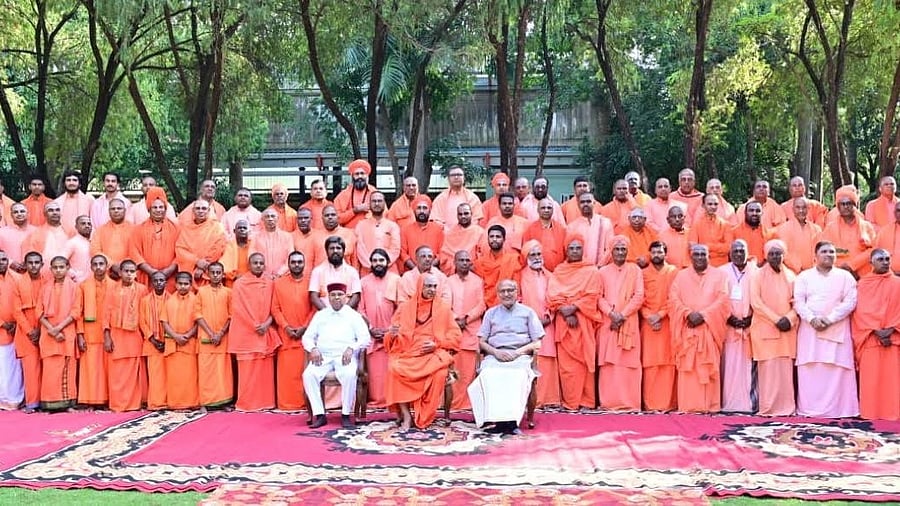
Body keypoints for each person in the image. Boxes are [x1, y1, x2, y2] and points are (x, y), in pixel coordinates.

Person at [385, 274, 461, 430]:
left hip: (433, 354)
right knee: (394, 369)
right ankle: (406, 415)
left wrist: (437, 344)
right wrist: (392, 334)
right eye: (428, 286)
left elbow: (455, 336)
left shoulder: (443, 308)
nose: (432, 290)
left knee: (439, 374)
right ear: (420, 286)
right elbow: (391, 336)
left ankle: (424, 417)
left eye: (434, 286)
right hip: (408, 352)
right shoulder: (405, 307)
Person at [793, 241, 859, 418]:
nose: (829, 254)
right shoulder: (804, 277)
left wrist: (830, 319)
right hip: (810, 330)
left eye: (832, 252)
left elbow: (850, 302)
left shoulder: (845, 277)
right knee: (811, 369)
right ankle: (809, 409)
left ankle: (842, 410)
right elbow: (798, 302)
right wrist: (812, 319)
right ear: (815, 256)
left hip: (837, 328)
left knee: (837, 369)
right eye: (824, 251)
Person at [468, 279, 543, 434]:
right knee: (488, 374)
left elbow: (537, 343)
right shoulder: (490, 313)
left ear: (517, 293)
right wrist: (496, 353)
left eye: (510, 290)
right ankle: (495, 419)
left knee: (517, 376)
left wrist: (517, 352)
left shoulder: (528, 313)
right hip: (495, 355)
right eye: (503, 291)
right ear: (498, 294)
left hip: (520, 355)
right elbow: (481, 342)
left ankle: (511, 422)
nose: (507, 294)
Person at [668, 244, 730, 413]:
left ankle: (710, 405)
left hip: (709, 329)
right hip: (687, 329)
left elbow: (723, 300)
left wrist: (703, 315)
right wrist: (687, 313)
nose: (700, 257)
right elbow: (673, 299)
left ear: (709, 256)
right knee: (689, 368)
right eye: (697, 254)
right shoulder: (681, 276)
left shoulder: (720, 276)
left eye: (704, 254)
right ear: (691, 256)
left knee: (707, 365)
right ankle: (689, 404)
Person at [302, 282, 371, 429]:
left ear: (345, 297)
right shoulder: (320, 315)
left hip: (344, 357)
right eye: (333, 295)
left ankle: (346, 415)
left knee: (348, 375)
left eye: (339, 295)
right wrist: (313, 348)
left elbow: (365, 338)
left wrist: (352, 348)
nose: (336, 298)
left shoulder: (354, 316)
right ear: (328, 297)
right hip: (323, 356)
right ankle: (320, 415)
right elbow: (307, 337)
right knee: (309, 374)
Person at [547, 235, 603, 410]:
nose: (575, 251)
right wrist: (565, 310)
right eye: (571, 248)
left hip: (583, 321)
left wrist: (574, 308)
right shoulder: (559, 271)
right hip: (564, 323)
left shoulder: (592, 271)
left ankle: (586, 401)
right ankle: (570, 401)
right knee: (567, 366)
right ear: (566, 251)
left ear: (583, 250)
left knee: (585, 362)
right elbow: (552, 295)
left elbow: (593, 295)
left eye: (578, 248)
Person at [748, 240, 799, 416]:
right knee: (768, 371)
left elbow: (798, 302)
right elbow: (756, 303)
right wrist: (777, 320)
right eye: (772, 254)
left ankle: (787, 408)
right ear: (766, 256)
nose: (775, 257)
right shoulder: (757, 275)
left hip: (786, 331)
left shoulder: (792, 276)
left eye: (778, 253)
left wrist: (790, 319)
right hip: (765, 330)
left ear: (784, 255)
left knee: (785, 372)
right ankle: (768, 408)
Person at [851, 249, 900, 420]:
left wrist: (892, 329)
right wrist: (876, 330)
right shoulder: (863, 284)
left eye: (887, 259)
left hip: (894, 339)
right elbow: (860, 312)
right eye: (880, 259)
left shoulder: (898, 283)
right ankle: (870, 412)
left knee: (892, 380)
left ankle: (893, 413)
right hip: (870, 337)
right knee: (871, 380)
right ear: (871, 263)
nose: (885, 262)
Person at [596, 236, 645, 411]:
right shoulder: (602, 272)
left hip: (628, 321)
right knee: (610, 364)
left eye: (623, 249)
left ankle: (630, 403)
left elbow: (639, 296)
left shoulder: (635, 270)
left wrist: (622, 315)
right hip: (608, 322)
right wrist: (611, 314)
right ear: (611, 251)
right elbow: (598, 296)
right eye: (617, 249)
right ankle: (608, 402)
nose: (620, 252)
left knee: (628, 363)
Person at [228, 253, 281, 411]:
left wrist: (266, 323)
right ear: (249, 265)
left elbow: (275, 306)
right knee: (247, 371)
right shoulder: (240, 284)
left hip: (265, 330)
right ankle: (247, 403)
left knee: (264, 371)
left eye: (261, 263)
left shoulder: (270, 283)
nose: (258, 265)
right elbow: (237, 309)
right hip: (246, 333)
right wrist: (254, 325)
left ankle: (266, 402)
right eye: (255, 263)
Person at [103, 259, 148, 412]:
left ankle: (134, 403)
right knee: (117, 372)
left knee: (134, 371)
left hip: (135, 335)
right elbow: (106, 314)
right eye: (126, 271)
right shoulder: (112, 290)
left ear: (136, 273)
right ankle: (118, 404)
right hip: (117, 335)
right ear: (120, 273)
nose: (129, 274)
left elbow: (145, 314)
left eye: (132, 271)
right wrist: (107, 336)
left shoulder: (142, 290)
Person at [357, 249, 400, 407]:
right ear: (370, 263)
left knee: (392, 371)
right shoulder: (363, 282)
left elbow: (401, 307)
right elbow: (360, 309)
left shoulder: (396, 280)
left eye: (381, 260)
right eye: (374, 261)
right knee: (376, 375)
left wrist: (390, 330)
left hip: (392, 335)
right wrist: (370, 328)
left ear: (388, 263)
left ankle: (392, 401)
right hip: (372, 334)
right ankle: (377, 400)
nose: (378, 264)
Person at [518, 241, 559, 407]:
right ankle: (530, 399)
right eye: (532, 255)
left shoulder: (550, 276)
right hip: (526, 327)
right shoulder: (519, 275)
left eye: (538, 254)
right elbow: (518, 300)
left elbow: (555, 298)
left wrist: (549, 316)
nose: (536, 258)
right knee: (530, 359)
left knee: (547, 358)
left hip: (547, 324)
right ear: (526, 258)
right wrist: (531, 322)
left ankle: (548, 399)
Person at [271, 251, 314, 411]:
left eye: (299, 262)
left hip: (306, 334)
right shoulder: (279, 283)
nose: (296, 265)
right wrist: (286, 327)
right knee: (287, 373)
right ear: (288, 264)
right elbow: (275, 308)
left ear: (304, 264)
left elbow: (314, 308)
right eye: (293, 262)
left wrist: (304, 327)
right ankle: (287, 403)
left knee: (304, 371)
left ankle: (306, 403)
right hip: (286, 334)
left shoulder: (311, 283)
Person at [639, 241, 679, 411]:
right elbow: (638, 297)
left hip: (668, 322)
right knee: (650, 364)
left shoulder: (673, 272)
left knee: (668, 363)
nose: (657, 255)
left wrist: (660, 315)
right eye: (654, 252)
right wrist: (649, 317)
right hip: (648, 325)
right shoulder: (642, 273)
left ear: (666, 253)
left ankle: (668, 403)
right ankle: (650, 404)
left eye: (660, 252)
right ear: (649, 253)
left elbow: (675, 297)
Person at [719, 240, 757, 413]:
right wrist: (729, 317)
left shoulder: (756, 272)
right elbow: (717, 298)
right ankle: (729, 403)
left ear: (748, 252)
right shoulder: (721, 272)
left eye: (742, 250)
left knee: (749, 366)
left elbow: (761, 297)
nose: (739, 253)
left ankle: (749, 404)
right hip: (728, 327)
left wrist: (752, 317)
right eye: (735, 250)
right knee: (729, 366)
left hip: (751, 327)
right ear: (730, 253)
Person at [36, 257, 78, 411]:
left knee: (67, 370)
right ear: (51, 269)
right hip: (48, 335)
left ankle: (66, 404)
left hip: (66, 334)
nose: (58, 270)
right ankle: (49, 403)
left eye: (61, 267)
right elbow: (38, 312)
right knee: (49, 371)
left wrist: (59, 328)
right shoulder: (45, 288)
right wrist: (52, 330)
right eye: (55, 267)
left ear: (68, 267)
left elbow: (75, 312)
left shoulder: (74, 287)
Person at [447, 250, 486, 409]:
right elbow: (444, 303)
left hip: (472, 329)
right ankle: (452, 401)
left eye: (467, 260)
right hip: (453, 328)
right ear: (455, 262)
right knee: (453, 368)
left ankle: (469, 402)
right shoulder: (448, 281)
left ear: (471, 263)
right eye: (461, 260)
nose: (464, 263)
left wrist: (467, 318)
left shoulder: (478, 281)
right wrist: (456, 318)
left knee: (470, 369)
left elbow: (482, 304)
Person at [75, 254, 115, 408]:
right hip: (90, 333)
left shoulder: (114, 285)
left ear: (107, 267)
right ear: (91, 267)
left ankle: (107, 399)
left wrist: (110, 334)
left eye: (101, 264)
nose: (98, 267)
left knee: (107, 369)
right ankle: (91, 400)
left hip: (109, 334)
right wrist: (80, 335)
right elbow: (78, 312)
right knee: (91, 368)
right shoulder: (83, 286)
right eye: (95, 264)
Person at [195, 263, 233, 409]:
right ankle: (205, 403)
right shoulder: (201, 292)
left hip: (222, 338)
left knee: (222, 373)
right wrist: (211, 333)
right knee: (206, 372)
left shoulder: (228, 292)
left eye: (218, 272)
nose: (216, 275)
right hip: (206, 337)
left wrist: (221, 333)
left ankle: (223, 402)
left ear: (223, 274)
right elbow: (197, 315)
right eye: (213, 272)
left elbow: (231, 315)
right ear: (208, 274)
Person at [160, 272, 200, 410]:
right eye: (180, 284)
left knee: (190, 376)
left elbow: (199, 321)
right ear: (175, 284)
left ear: (190, 284)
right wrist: (175, 336)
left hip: (189, 343)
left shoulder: (196, 300)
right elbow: (164, 322)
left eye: (186, 284)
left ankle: (192, 403)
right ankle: (175, 403)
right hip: (173, 344)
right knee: (174, 377)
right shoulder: (169, 301)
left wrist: (188, 335)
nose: (183, 286)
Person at [13, 252, 45, 412]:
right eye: (30, 263)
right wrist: (30, 331)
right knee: (31, 368)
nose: (33, 265)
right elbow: (16, 311)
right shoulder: (18, 283)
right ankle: (32, 402)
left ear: (42, 264)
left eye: (37, 262)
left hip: (45, 329)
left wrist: (41, 329)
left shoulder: (47, 281)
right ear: (25, 265)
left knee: (46, 367)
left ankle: (46, 401)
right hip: (26, 332)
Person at [820, 186, 876, 278]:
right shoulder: (830, 228)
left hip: (863, 274)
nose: (846, 207)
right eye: (842, 204)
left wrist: (852, 265)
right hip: (837, 274)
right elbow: (824, 251)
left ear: (854, 205)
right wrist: (842, 269)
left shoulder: (867, 227)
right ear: (838, 207)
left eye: (849, 203)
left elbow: (873, 249)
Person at [129, 187, 179, 288]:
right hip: (146, 277)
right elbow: (134, 252)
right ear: (149, 209)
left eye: (161, 207)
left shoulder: (176, 229)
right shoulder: (138, 229)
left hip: (170, 277)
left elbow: (181, 252)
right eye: (155, 207)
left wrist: (168, 271)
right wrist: (151, 271)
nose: (158, 210)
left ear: (165, 209)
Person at [175, 200, 227, 284]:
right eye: (198, 208)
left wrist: (203, 267)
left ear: (208, 211)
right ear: (193, 211)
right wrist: (196, 261)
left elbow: (219, 248)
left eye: (204, 208)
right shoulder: (186, 228)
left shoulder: (217, 227)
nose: (201, 211)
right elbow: (180, 249)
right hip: (190, 273)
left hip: (209, 272)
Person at [139, 271, 169, 410]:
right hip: (152, 343)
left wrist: (167, 340)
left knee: (169, 374)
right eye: (156, 280)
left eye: (161, 280)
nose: (158, 283)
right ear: (151, 283)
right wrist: (153, 339)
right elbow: (142, 321)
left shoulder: (171, 299)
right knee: (155, 375)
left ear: (166, 282)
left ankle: (169, 401)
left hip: (169, 343)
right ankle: (156, 403)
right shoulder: (145, 301)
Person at [472, 225, 521, 307]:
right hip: (486, 306)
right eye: (491, 236)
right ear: (487, 239)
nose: (494, 239)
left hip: (509, 304)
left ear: (504, 239)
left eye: (498, 237)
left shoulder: (513, 259)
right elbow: (478, 289)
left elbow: (516, 286)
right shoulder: (480, 262)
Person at [309, 236, 362, 310]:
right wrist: (328, 313)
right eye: (332, 248)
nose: (335, 251)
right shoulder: (317, 271)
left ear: (343, 251)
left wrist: (344, 312)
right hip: (324, 315)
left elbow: (356, 296)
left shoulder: (352, 272)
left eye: (338, 248)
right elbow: (313, 296)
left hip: (347, 316)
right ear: (326, 251)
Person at [355, 191, 401, 275]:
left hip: (389, 271)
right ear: (369, 204)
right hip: (368, 272)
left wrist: (383, 265)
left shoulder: (392, 226)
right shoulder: (361, 225)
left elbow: (395, 249)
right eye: (374, 201)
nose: (376, 203)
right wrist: (372, 266)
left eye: (379, 201)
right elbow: (360, 250)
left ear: (384, 203)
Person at [0, 251, 23, 411]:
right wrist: (3, 323)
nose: (2, 262)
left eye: (4, 259)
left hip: (16, 329)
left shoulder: (17, 278)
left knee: (13, 367)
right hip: (3, 329)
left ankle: (14, 398)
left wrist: (16, 323)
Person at [90, 198, 134, 279]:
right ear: (109, 211)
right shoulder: (100, 230)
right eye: (113, 209)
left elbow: (137, 252)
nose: (116, 211)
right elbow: (95, 251)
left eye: (119, 208)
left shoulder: (134, 229)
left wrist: (123, 266)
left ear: (125, 210)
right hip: (106, 274)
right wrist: (112, 265)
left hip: (129, 273)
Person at [775, 197, 822, 273]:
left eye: (804, 207)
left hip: (813, 272)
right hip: (791, 272)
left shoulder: (817, 229)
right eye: (798, 207)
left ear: (808, 209)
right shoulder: (783, 228)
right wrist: (797, 268)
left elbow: (819, 251)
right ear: (793, 209)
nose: (801, 211)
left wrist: (814, 269)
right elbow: (784, 252)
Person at [568, 192, 614, 267]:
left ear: (594, 203)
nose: (585, 204)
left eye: (588, 201)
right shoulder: (572, 227)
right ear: (578, 205)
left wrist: (600, 265)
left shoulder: (605, 222)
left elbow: (610, 248)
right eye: (582, 202)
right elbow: (571, 251)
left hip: (602, 268)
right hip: (580, 269)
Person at [431, 165, 484, 230]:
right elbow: (435, 220)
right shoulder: (440, 199)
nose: (456, 177)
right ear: (448, 178)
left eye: (459, 174)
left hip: (468, 235)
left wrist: (465, 231)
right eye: (453, 175)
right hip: (446, 236)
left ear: (464, 178)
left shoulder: (472, 198)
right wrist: (448, 231)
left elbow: (477, 219)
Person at [439, 203, 485, 275]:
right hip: (454, 273)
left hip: (474, 273)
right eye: (460, 214)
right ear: (457, 216)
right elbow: (444, 257)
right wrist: (457, 268)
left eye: (466, 213)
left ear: (471, 214)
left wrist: (471, 267)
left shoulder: (480, 232)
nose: (463, 216)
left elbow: (483, 256)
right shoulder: (450, 233)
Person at [400, 195, 442, 273]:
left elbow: (442, 253)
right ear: (414, 210)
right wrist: (416, 270)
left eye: (425, 208)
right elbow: (403, 254)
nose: (422, 211)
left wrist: (429, 268)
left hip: (433, 273)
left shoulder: (438, 229)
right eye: (419, 208)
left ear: (430, 210)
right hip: (411, 273)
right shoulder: (405, 229)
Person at [688, 194, 733, 267]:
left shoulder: (726, 225)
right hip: (703, 266)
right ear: (703, 205)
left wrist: (707, 246)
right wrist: (719, 249)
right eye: (710, 204)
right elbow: (693, 250)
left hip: (722, 266)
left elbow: (728, 248)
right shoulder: (696, 224)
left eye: (716, 204)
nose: (713, 207)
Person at [522, 198, 566, 271]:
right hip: (538, 273)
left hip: (558, 271)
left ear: (553, 210)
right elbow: (525, 253)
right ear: (538, 210)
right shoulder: (530, 229)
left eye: (549, 208)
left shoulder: (561, 229)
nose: (546, 210)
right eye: (543, 208)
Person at [334, 160, 377, 229]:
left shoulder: (375, 193)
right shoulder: (343, 195)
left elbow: (384, 215)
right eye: (357, 174)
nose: (360, 176)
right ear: (352, 176)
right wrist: (354, 210)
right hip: (349, 236)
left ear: (367, 175)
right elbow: (336, 219)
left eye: (362, 173)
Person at [251, 208, 293, 278]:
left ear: (278, 218)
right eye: (267, 216)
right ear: (262, 220)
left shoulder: (287, 237)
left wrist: (279, 273)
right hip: (261, 277)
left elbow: (290, 258)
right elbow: (252, 257)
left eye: (273, 216)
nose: (270, 219)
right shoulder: (256, 237)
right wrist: (264, 274)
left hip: (283, 277)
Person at [53, 170, 94, 236]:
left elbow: (93, 222)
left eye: (74, 180)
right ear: (64, 183)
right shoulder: (57, 202)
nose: (71, 183)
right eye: (68, 180)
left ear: (79, 183)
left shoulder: (89, 200)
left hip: (83, 239)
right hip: (61, 239)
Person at [0, 203, 35, 271]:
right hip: (8, 272)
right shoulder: (2, 232)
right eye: (16, 212)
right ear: (11, 215)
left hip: (32, 272)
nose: (19, 214)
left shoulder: (36, 231)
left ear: (28, 213)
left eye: (22, 211)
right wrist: (10, 262)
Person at [60, 216, 92, 283]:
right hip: (77, 283)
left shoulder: (93, 242)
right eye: (83, 223)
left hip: (91, 282)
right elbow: (60, 261)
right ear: (76, 227)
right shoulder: (72, 242)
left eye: (89, 224)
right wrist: (73, 275)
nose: (87, 226)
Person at [221, 219, 253, 285]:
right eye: (239, 228)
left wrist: (247, 277)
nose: (242, 229)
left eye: (244, 228)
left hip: (251, 282)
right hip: (232, 282)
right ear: (234, 231)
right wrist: (234, 276)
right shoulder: (228, 246)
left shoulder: (254, 245)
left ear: (249, 232)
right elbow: (223, 266)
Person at [874, 201, 900, 275]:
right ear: (894, 213)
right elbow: (876, 253)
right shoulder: (884, 231)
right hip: (889, 275)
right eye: (898, 211)